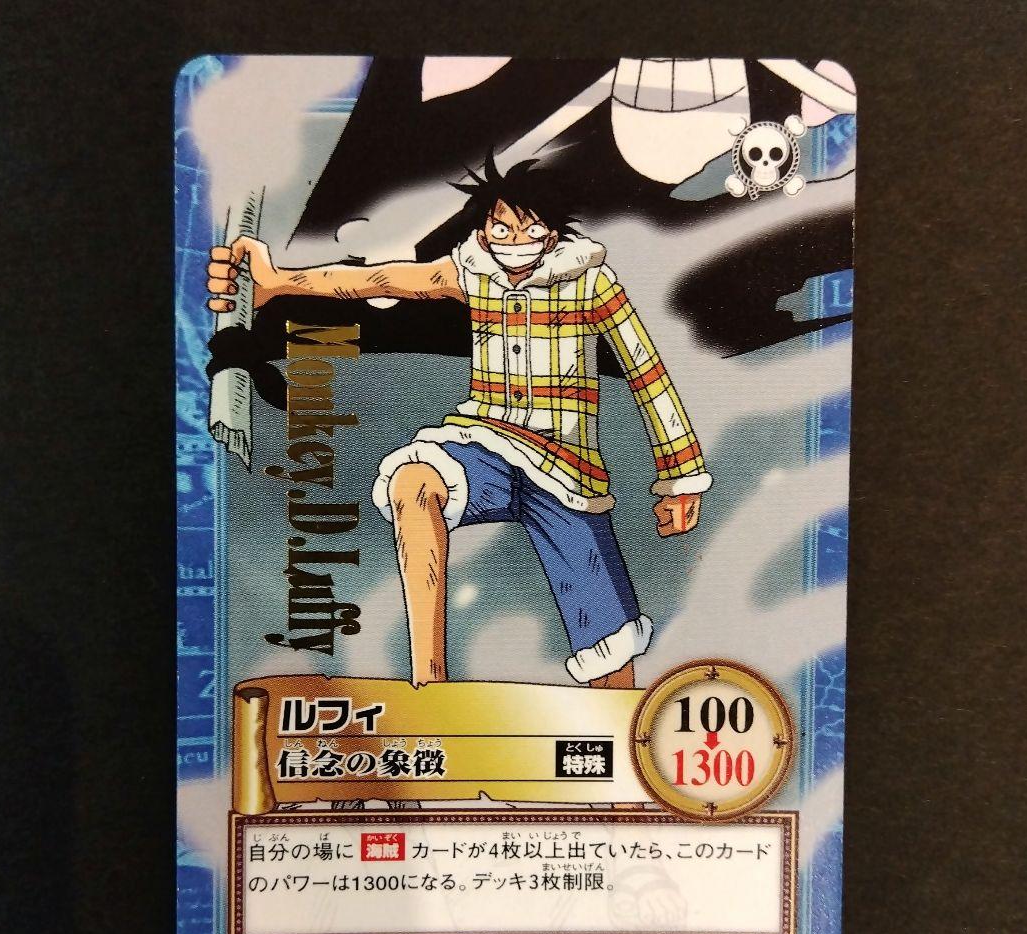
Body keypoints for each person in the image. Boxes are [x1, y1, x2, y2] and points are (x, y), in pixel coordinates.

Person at [207, 157, 711, 690]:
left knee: (610, 648)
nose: (514, 242)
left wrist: (680, 477)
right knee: (412, 482)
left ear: (552, 233)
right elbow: (378, 279)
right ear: (485, 230)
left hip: (568, 470)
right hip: (487, 445)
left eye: (529, 229)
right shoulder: (471, 272)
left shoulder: (590, 283)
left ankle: (614, 716)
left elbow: (646, 372)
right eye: (502, 228)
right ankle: (430, 681)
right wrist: (278, 282)